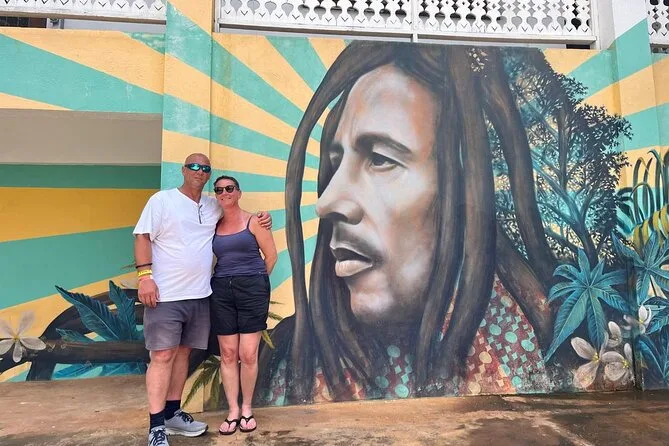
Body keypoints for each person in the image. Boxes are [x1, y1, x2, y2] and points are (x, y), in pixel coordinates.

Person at [255, 42, 558, 405]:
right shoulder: (286, 364)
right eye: (336, 163)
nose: (328, 202)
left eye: (380, 158)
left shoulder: (538, 344)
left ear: (462, 187)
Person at [133, 153, 272, 446]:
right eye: (194, 166)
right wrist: (145, 277)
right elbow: (142, 236)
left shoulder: (212, 207)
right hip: (165, 295)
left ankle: (172, 414)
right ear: (183, 170)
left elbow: (244, 222)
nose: (199, 171)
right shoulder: (162, 200)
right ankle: (156, 427)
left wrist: (263, 217)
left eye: (205, 168)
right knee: (162, 356)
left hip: (200, 295)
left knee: (183, 354)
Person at [209, 175, 277, 435]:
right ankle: (233, 411)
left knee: (248, 354)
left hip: (252, 290)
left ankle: (247, 408)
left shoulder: (255, 221)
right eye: (219, 190)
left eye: (229, 188)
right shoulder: (213, 225)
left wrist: (256, 283)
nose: (224, 193)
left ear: (239, 192)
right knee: (228, 354)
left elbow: (271, 256)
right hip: (221, 291)